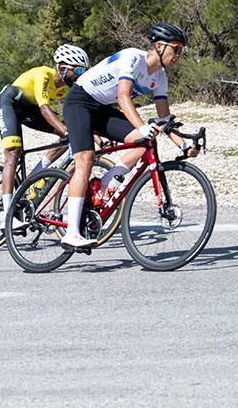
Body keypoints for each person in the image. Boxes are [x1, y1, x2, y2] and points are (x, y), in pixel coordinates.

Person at [60, 22, 198, 248]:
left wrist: (183, 144)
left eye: (181, 51)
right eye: (176, 49)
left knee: (144, 143)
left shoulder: (160, 77)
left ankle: (104, 185)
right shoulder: (133, 58)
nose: (179, 55)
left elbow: (165, 118)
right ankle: (71, 233)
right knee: (85, 160)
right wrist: (142, 126)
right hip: (79, 102)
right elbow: (123, 97)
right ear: (160, 46)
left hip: (101, 109)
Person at [0, 44, 91, 226]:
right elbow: (45, 109)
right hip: (10, 103)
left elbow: (77, 112)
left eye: (84, 71)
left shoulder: (69, 87)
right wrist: (67, 130)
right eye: (78, 70)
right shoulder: (43, 75)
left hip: (30, 109)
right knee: (13, 154)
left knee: (68, 136)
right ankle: (7, 218)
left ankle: (36, 175)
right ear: (62, 68)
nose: (81, 75)